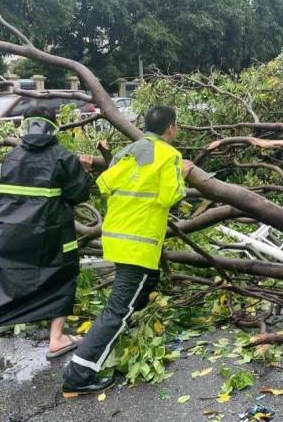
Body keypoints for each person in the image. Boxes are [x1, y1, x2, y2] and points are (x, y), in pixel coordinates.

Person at [0, 106, 92, 385]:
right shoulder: (64, 158)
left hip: (9, 237)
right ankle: (56, 339)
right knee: (62, 277)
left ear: (25, 127)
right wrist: (84, 169)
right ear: (54, 127)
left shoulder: (11, 156)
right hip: (51, 238)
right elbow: (79, 194)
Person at [62, 105, 189, 397]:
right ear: (171, 128)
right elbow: (171, 195)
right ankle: (78, 374)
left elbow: (104, 183)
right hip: (139, 245)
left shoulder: (127, 151)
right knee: (118, 310)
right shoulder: (170, 156)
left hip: (117, 239)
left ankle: (124, 341)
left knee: (144, 288)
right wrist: (184, 173)